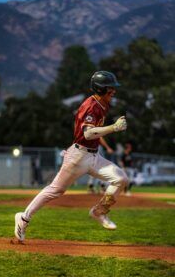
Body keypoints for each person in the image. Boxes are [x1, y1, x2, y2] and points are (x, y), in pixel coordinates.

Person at [14, 70, 129, 242]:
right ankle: (23, 219)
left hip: (93, 156)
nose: (113, 91)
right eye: (110, 88)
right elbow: (88, 134)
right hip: (78, 156)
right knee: (55, 191)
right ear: (100, 89)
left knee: (121, 178)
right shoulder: (91, 105)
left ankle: (99, 212)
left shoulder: (103, 103)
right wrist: (114, 128)